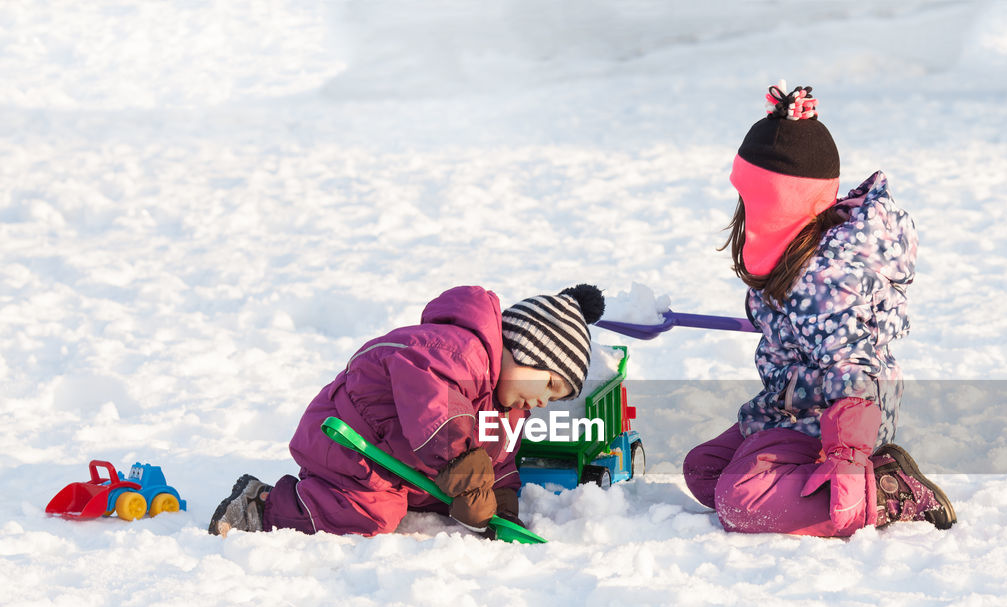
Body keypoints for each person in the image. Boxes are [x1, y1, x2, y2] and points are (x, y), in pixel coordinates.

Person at [683, 83, 955, 536]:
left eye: (756, 197)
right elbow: (806, 331)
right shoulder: (794, 252)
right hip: (792, 406)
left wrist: (846, 455)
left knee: (738, 499)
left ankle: (887, 490)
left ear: (782, 200)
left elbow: (853, 368)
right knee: (705, 470)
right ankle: (804, 491)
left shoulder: (826, 280)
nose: (746, 210)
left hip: (836, 417)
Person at [209, 283, 605, 537]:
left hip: (402, 462)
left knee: (443, 498)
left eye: (553, 400)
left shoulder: (508, 410)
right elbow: (435, 403)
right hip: (351, 445)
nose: (541, 402)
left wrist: (499, 504)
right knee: (374, 513)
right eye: (548, 385)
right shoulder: (456, 352)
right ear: (526, 351)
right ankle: (262, 506)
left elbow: (498, 461)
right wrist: (468, 476)